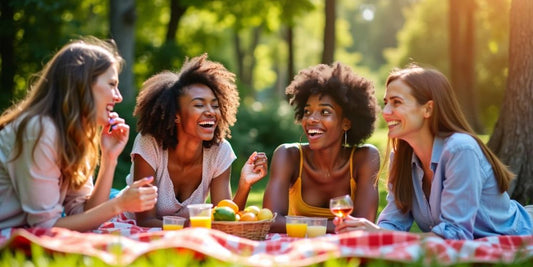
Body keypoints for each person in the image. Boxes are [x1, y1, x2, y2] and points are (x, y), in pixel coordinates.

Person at [335, 64, 533, 239]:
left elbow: (456, 234)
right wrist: (371, 234)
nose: (385, 112)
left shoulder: (460, 149)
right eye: (386, 102)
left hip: (518, 237)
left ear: (428, 109)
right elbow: (393, 222)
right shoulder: (401, 156)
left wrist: (381, 235)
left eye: (396, 102)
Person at [0, 37, 158, 232]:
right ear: (82, 85)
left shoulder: (76, 133)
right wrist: (119, 204)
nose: (118, 96)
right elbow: (45, 227)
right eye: (111, 84)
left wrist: (109, 159)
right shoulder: (40, 129)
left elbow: (83, 213)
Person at [127, 53, 268, 227]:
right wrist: (197, 226)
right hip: (129, 223)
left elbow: (225, 218)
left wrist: (245, 185)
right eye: (199, 105)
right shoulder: (149, 144)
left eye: (215, 105)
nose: (211, 112)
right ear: (176, 115)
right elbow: (145, 220)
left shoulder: (220, 151)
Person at [263, 62, 380, 233]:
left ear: (346, 123)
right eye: (307, 112)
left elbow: (361, 227)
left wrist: (298, 224)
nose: (311, 119)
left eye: (325, 112)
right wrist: (333, 226)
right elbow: (270, 221)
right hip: (297, 252)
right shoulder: (288, 156)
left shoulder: (366, 157)